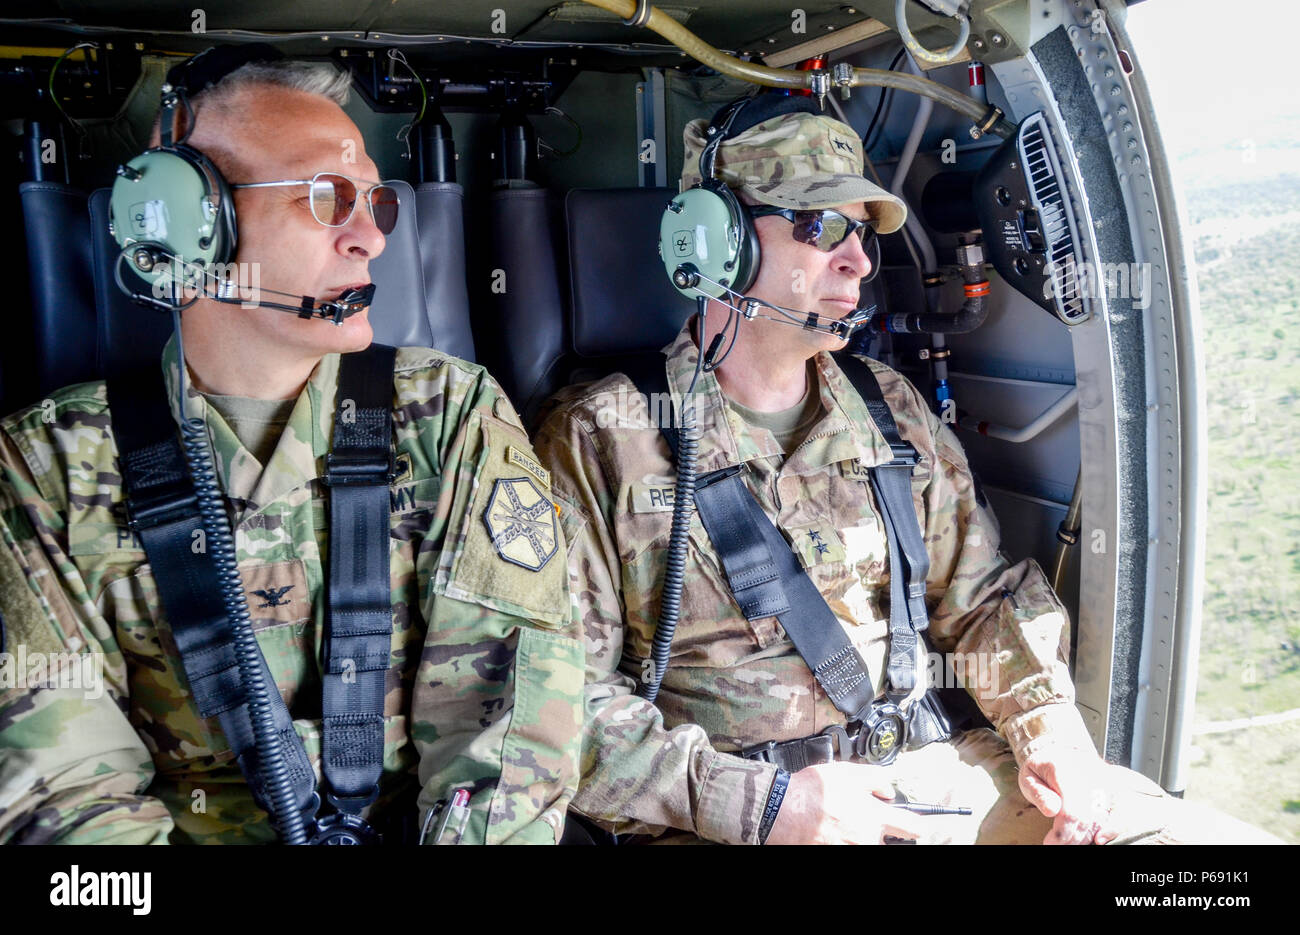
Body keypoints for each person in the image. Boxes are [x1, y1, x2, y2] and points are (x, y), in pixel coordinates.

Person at [534, 94, 1278, 845]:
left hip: (933, 784)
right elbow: (558, 706)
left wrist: (1049, 731)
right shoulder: (601, 439)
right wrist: (766, 807)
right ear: (719, 239)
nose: (858, 260)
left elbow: (982, 600)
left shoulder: (888, 407)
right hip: (740, 823)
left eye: (861, 232)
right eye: (821, 226)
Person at [0, 49, 582, 844]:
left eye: (374, 203)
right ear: (195, 224)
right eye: (325, 197)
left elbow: (509, 731)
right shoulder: (45, 470)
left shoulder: (449, 411)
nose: (368, 241)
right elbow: (63, 801)